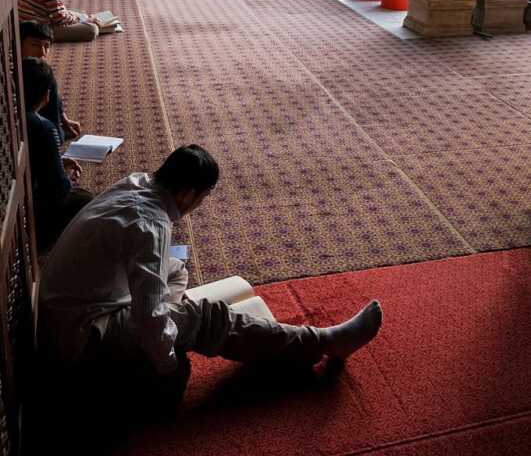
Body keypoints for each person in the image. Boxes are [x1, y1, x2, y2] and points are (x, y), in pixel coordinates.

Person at [38, 145, 382, 400]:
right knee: (206, 317)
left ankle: (177, 315)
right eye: (203, 196)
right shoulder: (150, 225)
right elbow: (148, 320)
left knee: (175, 265)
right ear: (188, 194)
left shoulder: (135, 183)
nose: (201, 204)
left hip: (69, 309)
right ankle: (322, 343)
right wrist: (167, 365)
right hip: (81, 335)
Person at [23, 57, 91, 249]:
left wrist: (57, 161)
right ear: (47, 96)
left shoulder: (10, 116)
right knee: (87, 201)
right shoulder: (42, 127)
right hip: (30, 208)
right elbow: (57, 189)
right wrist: (66, 175)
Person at [20, 21, 80, 144]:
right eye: (34, 45)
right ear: (18, 44)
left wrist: (64, 118)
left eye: (46, 46)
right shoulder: (14, 72)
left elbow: (54, 96)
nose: (42, 52)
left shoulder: (39, 67)